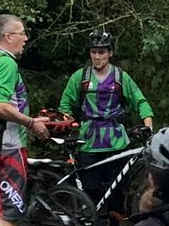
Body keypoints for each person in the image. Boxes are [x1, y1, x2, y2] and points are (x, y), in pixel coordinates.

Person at [0, 14, 53, 222]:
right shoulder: (6, 63)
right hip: (7, 149)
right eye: (22, 33)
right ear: (8, 37)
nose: (25, 38)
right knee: (9, 216)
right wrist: (31, 123)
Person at [59, 29, 154, 207]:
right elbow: (65, 105)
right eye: (93, 52)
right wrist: (69, 127)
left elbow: (140, 101)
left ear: (110, 53)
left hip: (116, 143)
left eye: (101, 52)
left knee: (117, 190)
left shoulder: (121, 77)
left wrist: (148, 126)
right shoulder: (80, 77)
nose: (97, 57)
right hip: (87, 142)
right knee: (90, 191)